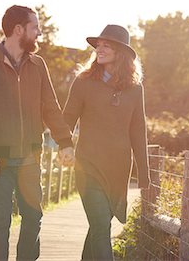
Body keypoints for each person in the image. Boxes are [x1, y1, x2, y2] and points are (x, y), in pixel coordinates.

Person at [0, 5, 74, 261]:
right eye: (34, 27)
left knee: (33, 217)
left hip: (29, 158)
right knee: (0, 221)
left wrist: (65, 142)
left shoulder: (38, 65)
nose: (38, 33)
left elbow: (50, 106)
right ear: (18, 30)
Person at [62, 24, 150, 260]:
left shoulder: (135, 89)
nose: (99, 49)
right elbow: (67, 117)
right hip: (88, 166)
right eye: (98, 45)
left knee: (98, 227)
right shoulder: (83, 81)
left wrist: (144, 170)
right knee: (101, 225)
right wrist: (64, 145)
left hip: (118, 170)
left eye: (106, 45)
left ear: (120, 52)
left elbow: (138, 130)